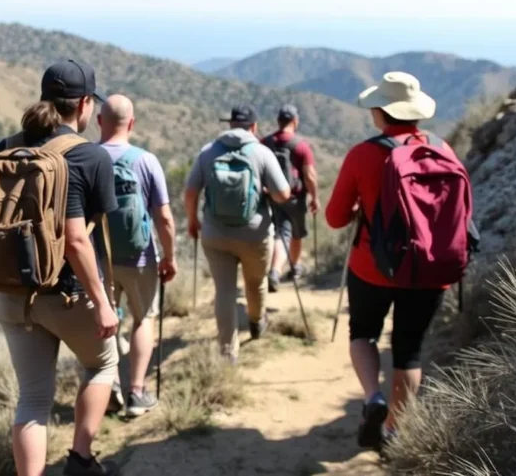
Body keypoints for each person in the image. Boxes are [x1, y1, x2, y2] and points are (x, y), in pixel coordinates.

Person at [0, 60, 121, 476]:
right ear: (84, 105)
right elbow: (79, 238)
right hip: (68, 295)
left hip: (13, 294)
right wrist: (102, 301)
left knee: (31, 399)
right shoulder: (90, 156)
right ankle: (81, 458)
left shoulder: (6, 146)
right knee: (102, 364)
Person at [325, 71, 454, 450]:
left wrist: (358, 211)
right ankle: (395, 432)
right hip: (430, 268)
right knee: (409, 350)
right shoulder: (442, 149)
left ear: (380, 111)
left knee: (363, 334)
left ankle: (373, 398)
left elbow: (335, 218)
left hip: (373, 267)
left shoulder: (364, 154)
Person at [183, 104, 291, 362]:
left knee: (225, 291)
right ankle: (256, 321)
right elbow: (283, 194)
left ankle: (227, 353)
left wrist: (193, 221)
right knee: (255, 283)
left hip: (215, 234)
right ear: (253, 127)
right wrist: (265, 193)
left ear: (230, 125)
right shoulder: (262, 153)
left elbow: (190, 191)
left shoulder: (208, 152)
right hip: (255, 234)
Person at [96, 94, 177, 418]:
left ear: (99, 121)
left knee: (106, 323)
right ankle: (137, 392)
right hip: (140, 257)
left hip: (99, 260)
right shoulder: (145, 161)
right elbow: (165, 218)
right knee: (143, 319)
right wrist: (169, 257)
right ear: (131, 123)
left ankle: (110, 385)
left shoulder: (86, 158)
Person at [263, 104, 319, 292]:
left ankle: (290, 267)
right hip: (295, 198)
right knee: (292, 234)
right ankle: (280, 270)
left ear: (279, 121)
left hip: (270, 196)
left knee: (281, 233)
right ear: (295, 121)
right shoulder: (300, 145)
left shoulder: (265, 143)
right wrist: (315, 197)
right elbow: (309, 175)